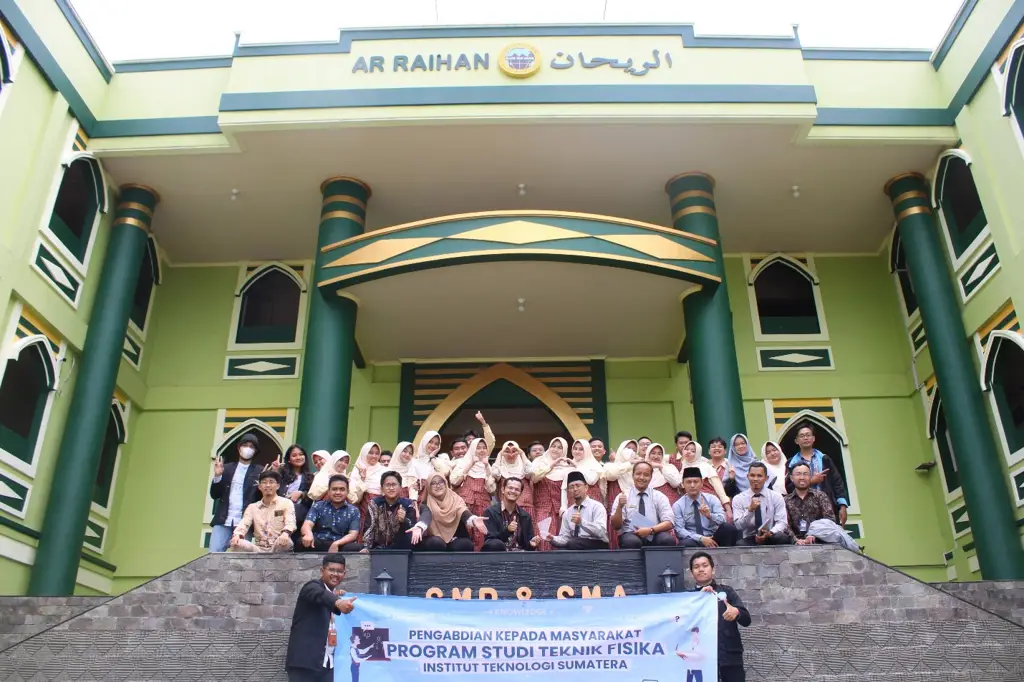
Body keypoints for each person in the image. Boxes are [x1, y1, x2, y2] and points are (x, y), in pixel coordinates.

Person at [285, 553, 357, 682]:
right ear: (322, 570)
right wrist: (339, 602)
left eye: (340, 571)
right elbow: (320, 595)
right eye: (332, 570)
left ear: (344, 574)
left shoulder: (333, 594)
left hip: (328, 665)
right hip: (305, 665)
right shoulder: (311, 587)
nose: (336, 574)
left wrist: (339, 597)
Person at [688, 551, 750, 682]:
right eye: (696, 566)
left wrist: (736, 612)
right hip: (700, 659)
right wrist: (699, 596)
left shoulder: (727, 591)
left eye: (705, 565)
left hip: (730, 656)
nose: (701, 569)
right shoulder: (688, 598)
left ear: (713, 570)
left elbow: (746, 620)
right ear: (691, 572)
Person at [786, 422, 850, 524]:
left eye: (808, 435)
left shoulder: (825, 459)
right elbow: (789, 487)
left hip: (826, 507)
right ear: (796, 441)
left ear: (813, 438)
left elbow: (837, 483)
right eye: (802, 436)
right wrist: (811, 481)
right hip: (801, 510)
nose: (806, 438)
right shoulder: (791, 463)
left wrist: (842, 506)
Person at [208, 432, 262, 552]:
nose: (248, 449)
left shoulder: (259, 471)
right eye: (245, 445)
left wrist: (267, 480)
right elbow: (214, 494)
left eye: (252, 447)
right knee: (213, 556)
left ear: (255, 451)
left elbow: (261, 499)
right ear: (238, 447)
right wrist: (217, 476)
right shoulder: (226, 468)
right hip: (223, 520)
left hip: (245, 523)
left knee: (240, 561)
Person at [786, 462, 859, 550]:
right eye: (798, 474)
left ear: (810, 476)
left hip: (820, 540)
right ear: (791, 478)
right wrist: (796, 540)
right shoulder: (785, 500)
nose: (802, 477)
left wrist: (814, 535)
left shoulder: (820, 496)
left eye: (805, 474)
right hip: (794, 544)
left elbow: (829, 520)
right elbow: (785, 524)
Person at [408, 473, 486, 551]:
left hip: (455, 537)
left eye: (440, 482)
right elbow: (426, 515)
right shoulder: (426, 503)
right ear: (429, 487)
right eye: (433, 483)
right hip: (434, 538)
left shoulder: (456, 499)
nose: (438, 486)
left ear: (446, 484)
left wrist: (473, 519)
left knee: (465, 544)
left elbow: (462, 511)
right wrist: (420, 527)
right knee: (436, 543)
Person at [611, 461, 677, 548]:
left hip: (654, 532)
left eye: (646, 475)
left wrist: (651, 530)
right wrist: (620, 506)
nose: (642, 477)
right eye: (638, 474)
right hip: (631, 533)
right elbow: (616, 526)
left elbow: (669, 522)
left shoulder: (659, 496)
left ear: (651, 477)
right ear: (633, 475)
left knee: (667, 540)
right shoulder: (623, 496)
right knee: (631, 542)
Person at [230, 469, 296, 552]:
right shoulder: (252, 507)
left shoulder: (286, 503)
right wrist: (237, 535)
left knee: (286, 542)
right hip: (259, 548)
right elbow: (244, 523)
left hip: (278, 544)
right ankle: (244, 565)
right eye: (264, 482)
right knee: (237, 543)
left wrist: (285, 533)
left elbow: (290, 522)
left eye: (271, 482)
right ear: (259, 487)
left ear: (278, 486)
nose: (268, 485)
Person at [672, 467, 738, 548]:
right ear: (683, 484)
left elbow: (723, 520)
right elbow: (679, 531)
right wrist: (701, 538)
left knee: (729, 528)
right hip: (694, 539)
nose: (692, 485)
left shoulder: (712, 499)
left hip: (714, 537)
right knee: (684, 544)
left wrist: (710, 515)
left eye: (696, 482)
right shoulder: (678, 505)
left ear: (702, 483)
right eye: (688, 482)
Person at [731, 462, 793, 545]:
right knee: (740, 544)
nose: (755, 479)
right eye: (752, 475)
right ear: (747, 476)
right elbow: (738, 526)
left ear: (766, 478)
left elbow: (782, 523)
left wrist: (770, 533)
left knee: (782, 538)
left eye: (759, 476)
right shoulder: (738, 499)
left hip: (770, 534)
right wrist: (750, 510)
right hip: (750, 536)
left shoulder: (776, 497)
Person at [529, 437, 573, 550]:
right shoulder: (539, 462)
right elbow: (534, 478)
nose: (555, 449)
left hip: (561, 510)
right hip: (542, 509)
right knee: (543, 539)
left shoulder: (567, 466)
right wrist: (551, 466)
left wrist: (574, 466)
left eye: (559, 447)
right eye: (553, 446)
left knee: (562, 540)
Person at [548, 470, 609, 549]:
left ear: (586, 487)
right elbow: (565, 538)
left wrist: (581, 523)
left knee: (573, 543)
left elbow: (602, 533)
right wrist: (552, 538)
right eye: (571, 487)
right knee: (560, 552)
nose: (575, 489)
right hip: (575, 544)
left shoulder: (597, 507)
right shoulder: (568, 513)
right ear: (568, 491)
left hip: (597, 543)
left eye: (578, 485)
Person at [301, 475, 364, 552]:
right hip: (319, 542)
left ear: (347, 492)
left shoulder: (354, 510)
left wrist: (336, 544)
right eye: (334, 489)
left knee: (357, 547)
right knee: (301, 542)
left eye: (342, 489)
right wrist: (308, 534)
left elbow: (353, 534)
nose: (338, 492)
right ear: (328, 491)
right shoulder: (318, 505)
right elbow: (307, 524)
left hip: (341, 544)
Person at [361, 470, 417, 550]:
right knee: (352, 548)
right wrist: (366, 547)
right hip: (378, 547)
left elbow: (413, 528)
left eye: (394, 485)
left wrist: (404, 520)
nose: (391, 488)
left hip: (401, 548)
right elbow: (369, 527)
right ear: (382, 488)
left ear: (400, 488)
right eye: (387, 485)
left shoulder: (408, 504)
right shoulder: (374, 503)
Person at [482, 477, 540, 551]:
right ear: (503, 490)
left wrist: (531, 544)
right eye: (510, 488)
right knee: (495, 544)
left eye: (517, 489)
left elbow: (527, 545)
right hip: (498, 555)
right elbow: (490, 541)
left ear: (520, 493)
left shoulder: (525, 516)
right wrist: (508, 531)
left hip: (520, 555)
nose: (513, 491)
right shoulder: (490, 512)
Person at [681, 441, 732, 523]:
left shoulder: (705, 466)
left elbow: (718, 487)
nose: (688, 452)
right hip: (691, 503)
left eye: (693, 451)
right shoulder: (682, 467)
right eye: (686, 449)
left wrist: (727, 507)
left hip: (708, 501)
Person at [491, 440, 533, 519]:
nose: (511, 454)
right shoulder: (500, 468)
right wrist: (500, 454)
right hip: (507, 509)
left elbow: (530, 471)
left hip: (526, 507)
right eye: (507, 451)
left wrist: (522, 453)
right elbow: (494, 473)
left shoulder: (524, 467)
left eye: (514, 451)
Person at [278, 444, 315, 535]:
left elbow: (313, 497)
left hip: (299, 516)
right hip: (279, 513)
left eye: (301, 454)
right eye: (294, 455)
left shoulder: (310, 477)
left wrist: (301, 494)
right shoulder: (281, 474)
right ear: (289, 459)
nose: (298, 457)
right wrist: (275, 471)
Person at [348, 442, 385, 523]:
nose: (374, 456)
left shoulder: (384, 471)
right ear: (364, 453)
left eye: (377, 453)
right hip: (359, 511)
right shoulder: (356, 471)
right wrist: (362, 480)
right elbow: (353, 498)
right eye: (371, 453)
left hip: (379, 511)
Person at [410, 430, 451, 500]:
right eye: (430, 442)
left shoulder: (439, 461)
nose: (433, 446)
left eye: (436, 444)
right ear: (424, 442)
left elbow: (445, 472)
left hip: (438, 500)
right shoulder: (414, 462)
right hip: (420, 501)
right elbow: (412, 486)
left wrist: (432, 457)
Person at [564, 438, 604, 508]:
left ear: (587, 450)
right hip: (573, 503)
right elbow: (564, 487)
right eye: (575, 449)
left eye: (581, 449)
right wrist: (563, 507)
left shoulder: (594, 464)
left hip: (591, 502)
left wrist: (577, 466)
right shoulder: (569, 465)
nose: (577, 451)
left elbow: (591, 481)